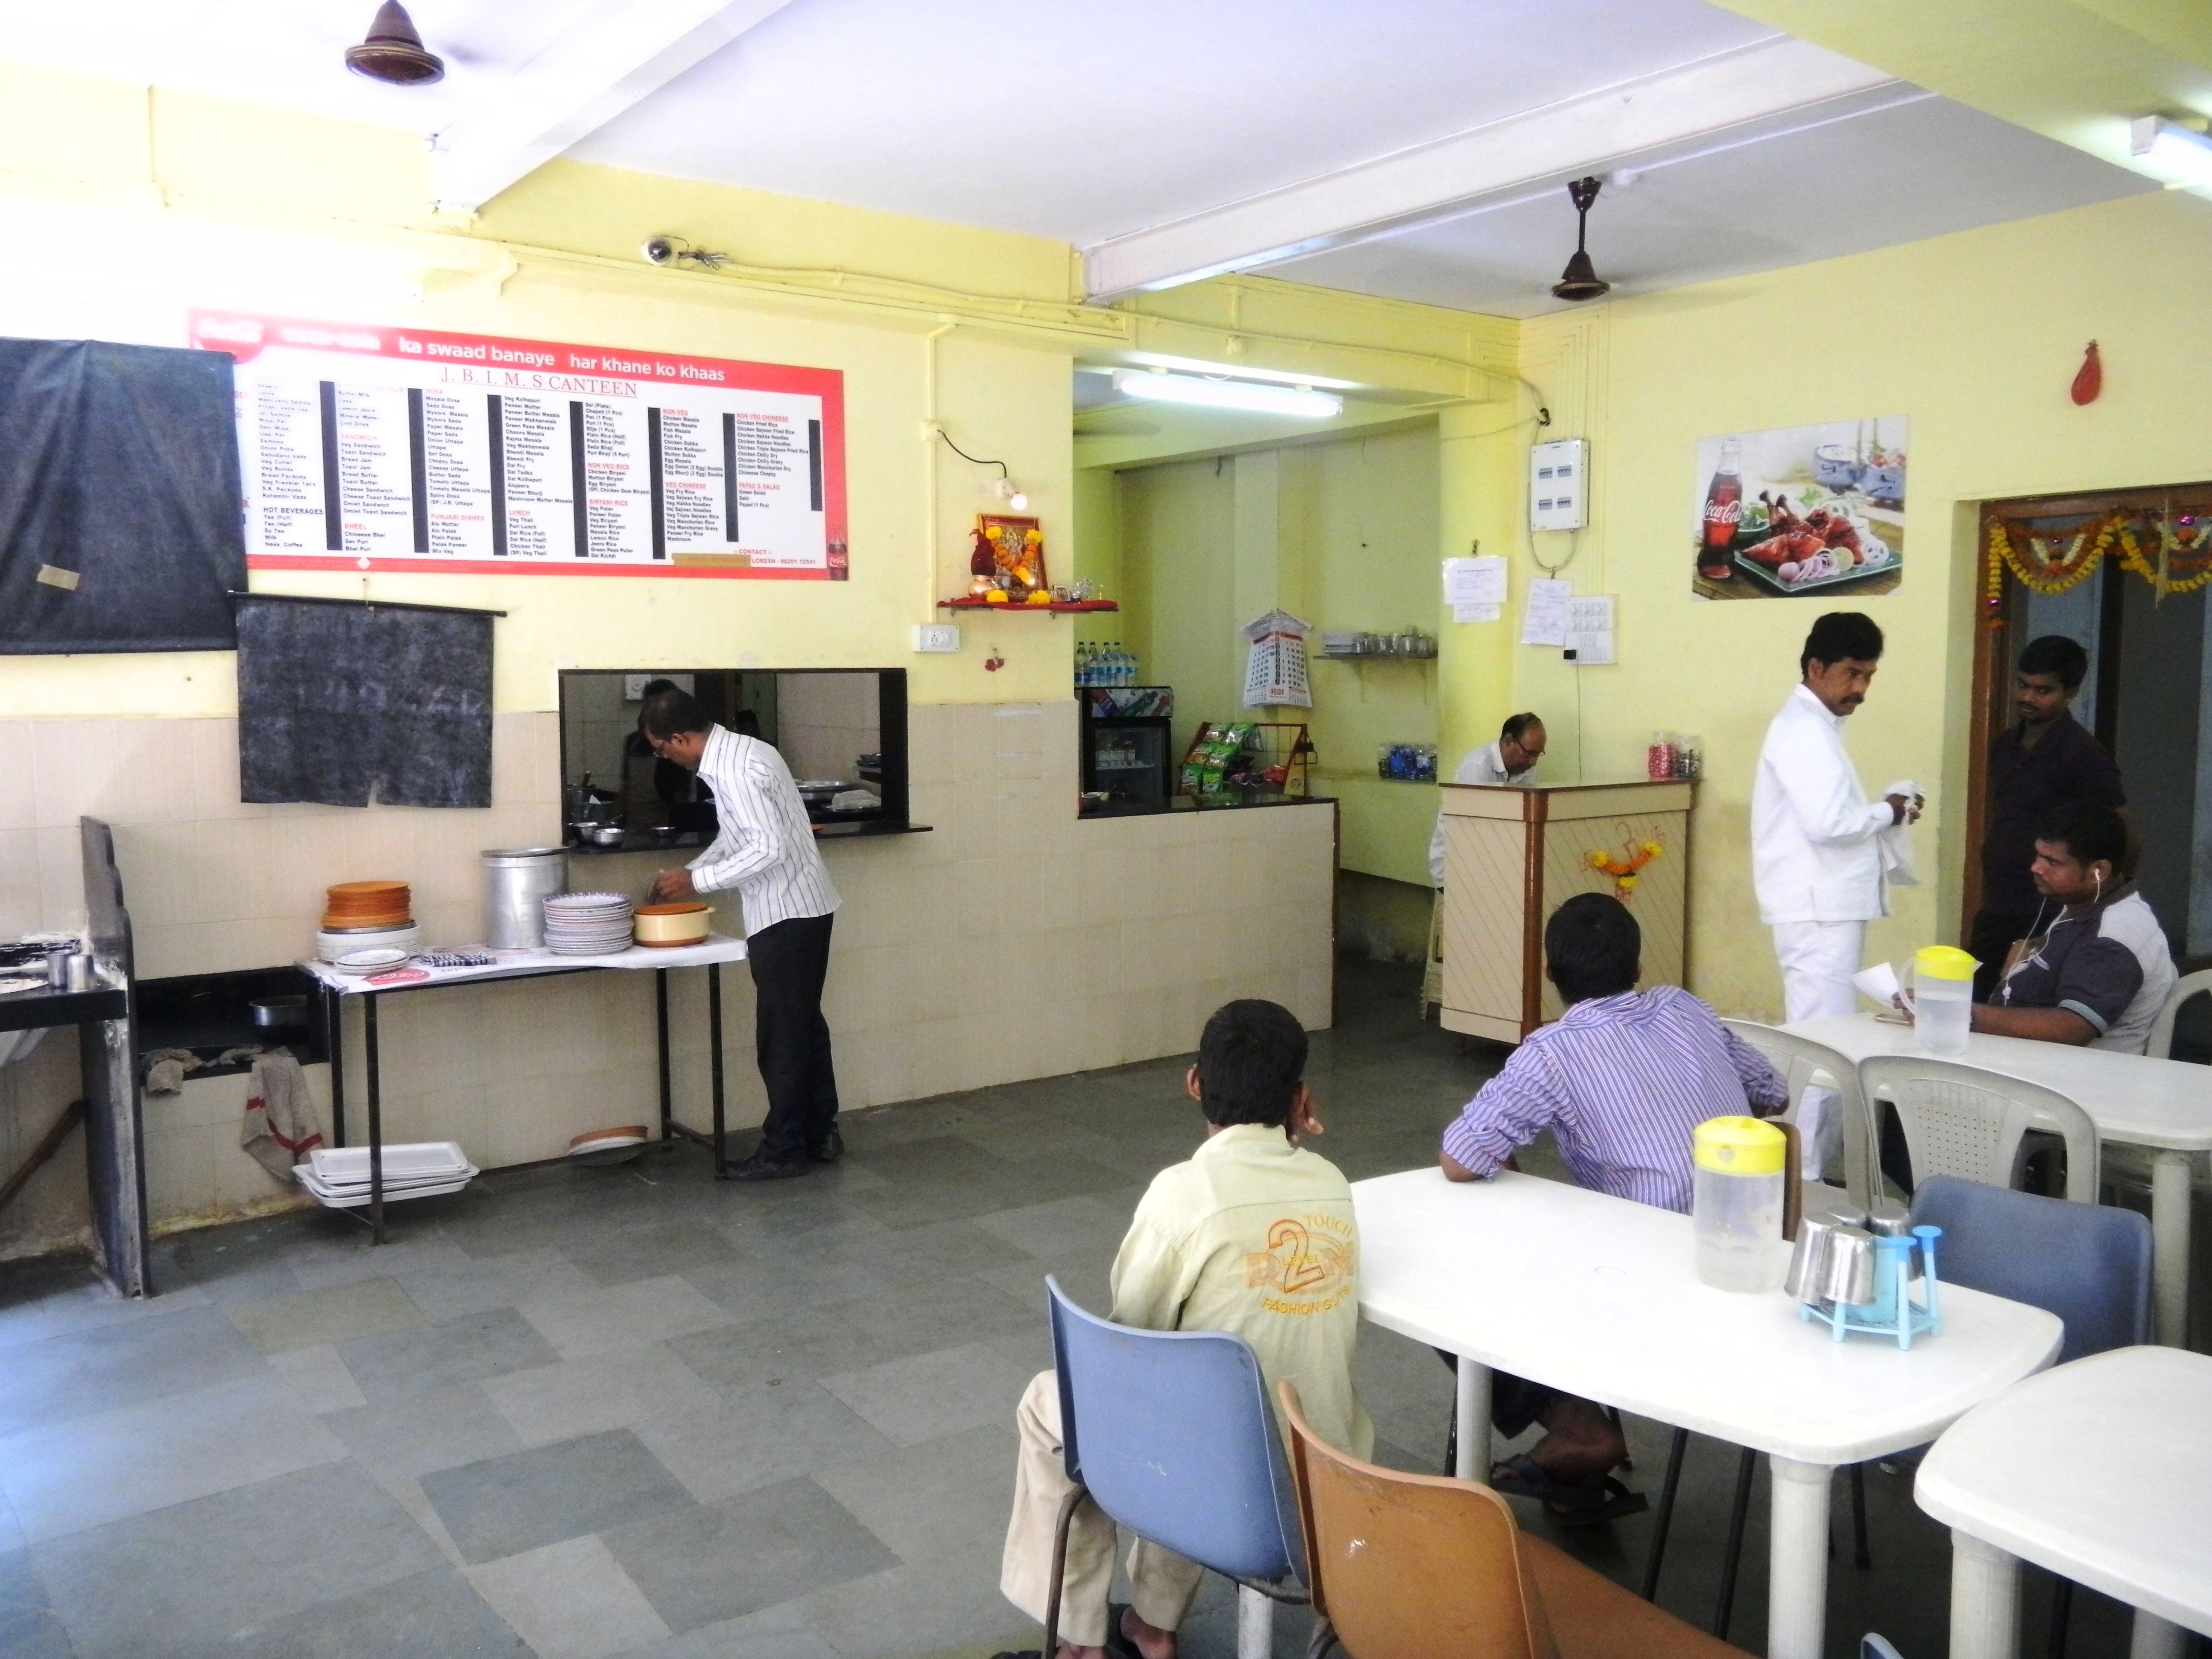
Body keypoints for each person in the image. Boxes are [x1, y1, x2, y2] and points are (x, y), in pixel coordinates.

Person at [996, 1001, 1370, 1659]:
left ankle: (1081, 1640)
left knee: (1067, 1404)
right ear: (1301, 1098)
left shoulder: (1184, 1193)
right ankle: (1152, 1622)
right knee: (1207, 1389)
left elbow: (1128, 1339)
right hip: (1331, 1494)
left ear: (1195, 1083)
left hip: (1224, 1498)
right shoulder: (1333, 1183)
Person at [1436, 894, 1786, 1524]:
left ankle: (1579, 1431)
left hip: (1645, 1280)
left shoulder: (1551, 1052)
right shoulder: (1685, 1007)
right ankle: (1579, 1480)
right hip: (1752, 1257)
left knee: (1451, 1285)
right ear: (1638, 965)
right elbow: (1772, 1091)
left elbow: (1462, 1159)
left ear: (1549, 976)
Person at [640, 688, 843, 1179]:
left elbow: (767, 849)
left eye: (663, 749)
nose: (664, 758)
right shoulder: (749, 750)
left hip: (785, 914)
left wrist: (696, 880)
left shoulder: (732, 768)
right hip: (808, 906)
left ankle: (784, 1152)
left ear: (682, 738)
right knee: (803, 1027)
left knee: (783, 1037)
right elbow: (738, 839)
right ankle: (820, 1134)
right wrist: (689, 873)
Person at [1751, 611, 1919, 1179]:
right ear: (1816, 667)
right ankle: (1805, 1177)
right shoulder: (1802, 730)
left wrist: (1882, 812)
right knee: (1822, 1047)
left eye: (1869, 676)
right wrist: (1890, 810)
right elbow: (1829, 823)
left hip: (1823, 906)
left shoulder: (1816, 727)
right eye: (1852, 674)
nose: (1861, 690)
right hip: (1818, 910)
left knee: (1824, 1040)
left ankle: (1810, 1169)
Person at [1969, 635, 2126, 999]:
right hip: (1999, 903)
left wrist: (2096, 902)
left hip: (2049, 909)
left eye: (2044, 690)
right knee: (1973, 1000)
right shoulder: (2005, 745)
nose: (2028, 697)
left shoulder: (2083, 755)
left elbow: (2122, 831)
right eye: (2022, 685)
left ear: (2070, 693)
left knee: (2022, 1006)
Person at [1971, 804, 2174, 1053]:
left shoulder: (2113, 937)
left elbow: (2072, 1028)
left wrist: (1964, 1015)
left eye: (2053, 862)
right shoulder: (2084, 903)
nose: (2036, 868)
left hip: (2079, 1079)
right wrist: (2029, 952)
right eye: (2038, 855)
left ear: (2098, 872)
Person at [1428, 711, 1546, 886]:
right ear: (1509, 741)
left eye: (1538, 755)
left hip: (1489, 867)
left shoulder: (1527, 770)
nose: (1533, 762)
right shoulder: (1478, 765)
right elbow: (1477, 830)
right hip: (1456, 867)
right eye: (1529, 753)